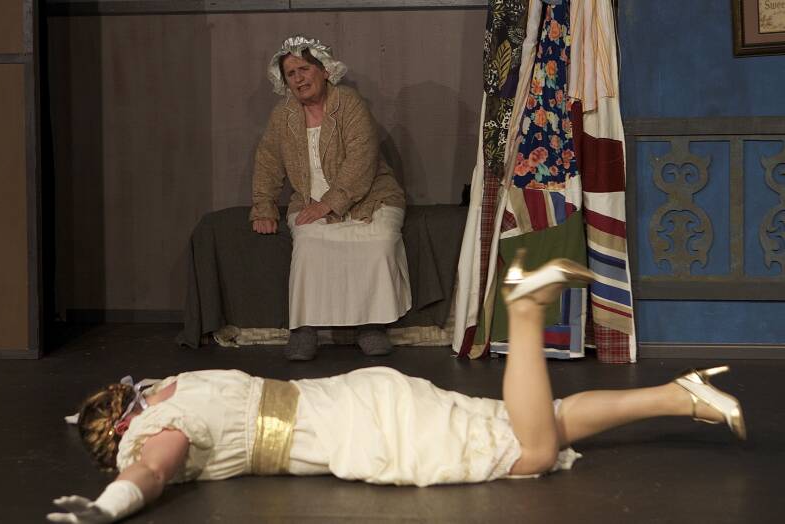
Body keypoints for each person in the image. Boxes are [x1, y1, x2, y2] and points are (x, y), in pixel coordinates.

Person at [47, 252, 745, 523]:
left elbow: (151, 471)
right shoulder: (174, 387)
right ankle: (680, 396)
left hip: (362, 432)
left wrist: (109, 505)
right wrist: (89, 421)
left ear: (123, 431)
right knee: (532, 422)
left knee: (528, 452)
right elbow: (119, 426)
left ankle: (526, 310)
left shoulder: (158, 431)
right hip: (358, 396)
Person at [249, 35, 410, 361]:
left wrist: (329, 204)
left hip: (371, 196)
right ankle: (304, 328)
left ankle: (371, 326)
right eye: (291, 73)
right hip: (310, 199)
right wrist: (264, 206)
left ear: (324, 71)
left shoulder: (348, 103)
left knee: (379, 241)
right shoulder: (283, 115)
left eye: (304, 69)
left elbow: (362, 159)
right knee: (309, 244)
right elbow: (268, 160)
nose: (298, 78)